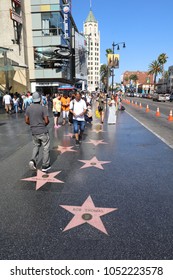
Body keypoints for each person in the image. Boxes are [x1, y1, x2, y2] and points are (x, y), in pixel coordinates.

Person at [25, 91, 51, 172]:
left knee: (36, 146)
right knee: (45, 148)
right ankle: (45, 165)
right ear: (40, 99)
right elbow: (47, 121)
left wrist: (33, 124)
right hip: (43, 131)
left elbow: (26, 120)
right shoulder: (43, 108)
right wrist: (42, 125)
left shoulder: (28, 108)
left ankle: (33, 160)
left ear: (32, 99)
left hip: (34, 131)